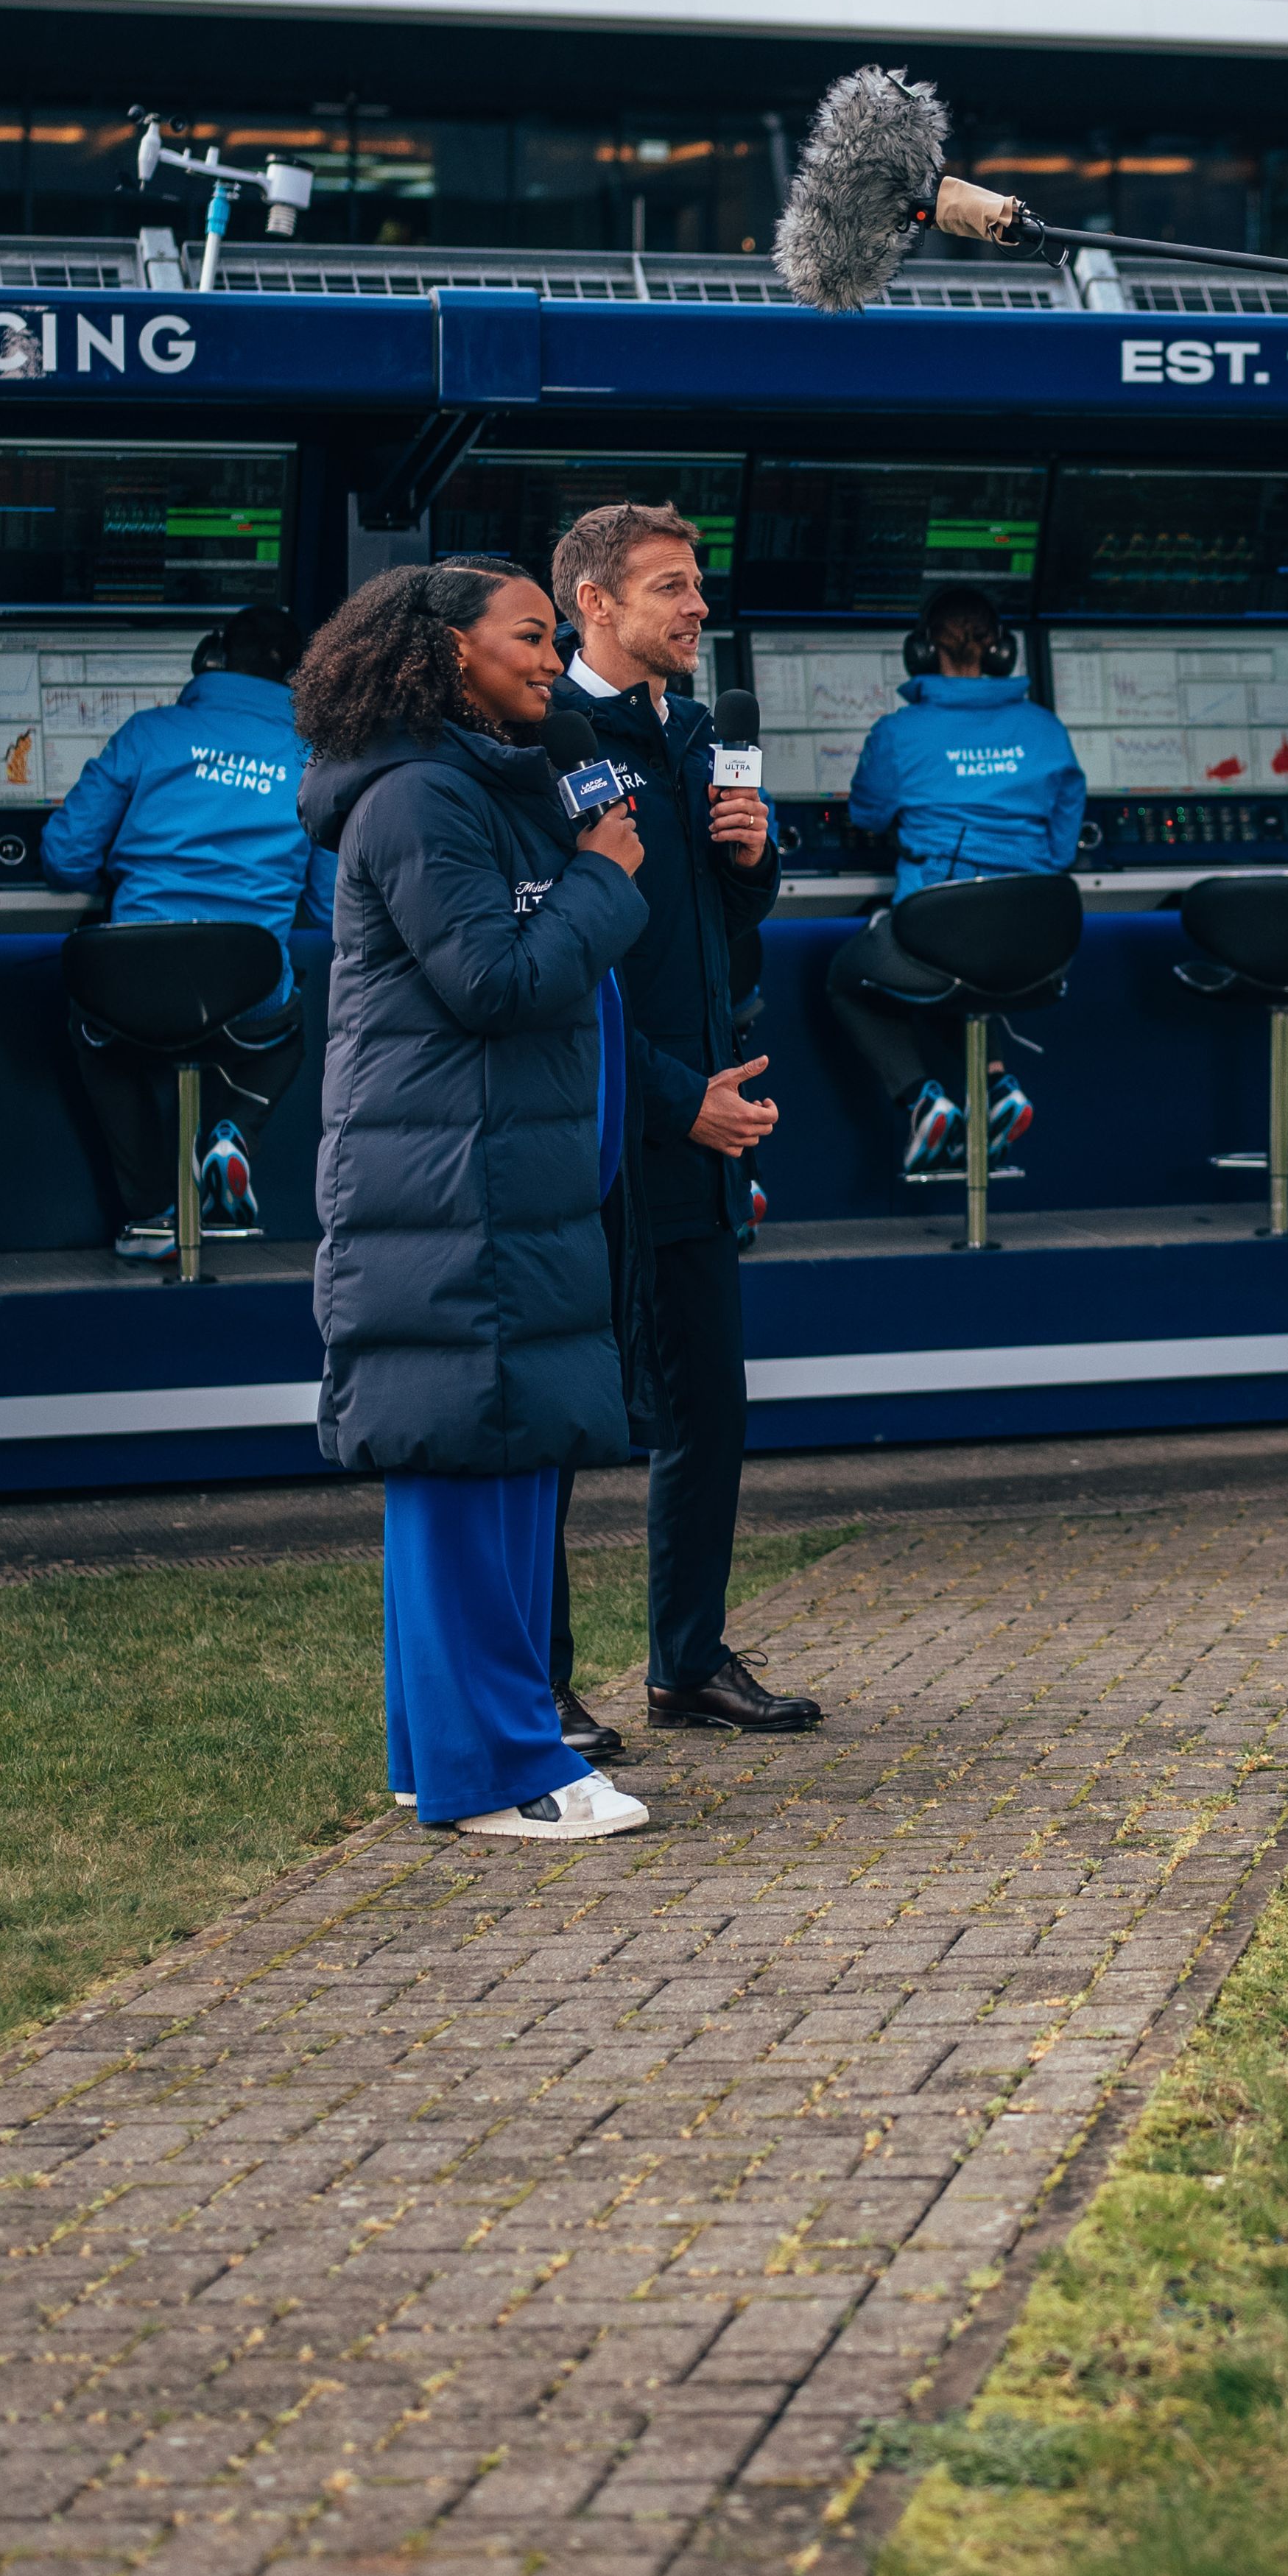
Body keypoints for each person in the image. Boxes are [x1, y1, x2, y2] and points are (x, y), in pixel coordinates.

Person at [300, 559, 653, 1843]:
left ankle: (438, 1755)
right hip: (448, 1192)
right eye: (527, 636)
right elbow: (496, 982)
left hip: (499, 1182)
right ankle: (500, 1773)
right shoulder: (415, 801)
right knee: (461, 1467)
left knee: (489, 1463)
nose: (553, 656)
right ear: (444, 651)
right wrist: (603, 875)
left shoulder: (490, 787)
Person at [552, 501, 815, 1737]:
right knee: (562, 1417)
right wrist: (673, 1096)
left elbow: (725, 926)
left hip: (708, 1125)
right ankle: (537, 1688)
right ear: (592, 604)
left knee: (710, 1406)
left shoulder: (699, 732)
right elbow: (558, 970)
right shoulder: (541, 741)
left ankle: (686, 1663)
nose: (697, 607)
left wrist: (754, 858)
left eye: (696, 586)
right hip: (599, 1131)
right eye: (669, 588)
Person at [40, 602, 316, 1260]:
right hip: (247, 991)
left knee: (98, 1039)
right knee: (287, 1034)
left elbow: (63, 859)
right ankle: (227, 1134)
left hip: (134, 983)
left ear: (211, 659)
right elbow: (335, 902)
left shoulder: (150, 733)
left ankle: (150, 1214)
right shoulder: (313, 757)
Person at [828, 583, 1085, 1180]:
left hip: (938, 940)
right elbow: (1062, 847)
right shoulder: (1047, 729)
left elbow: (867, 815)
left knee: (852, 976)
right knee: (972, 955)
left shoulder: (899, 733)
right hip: (1038, 951)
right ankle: (997, 1090)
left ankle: (923, 1099)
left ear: (921, 652)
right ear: (1004, 651)